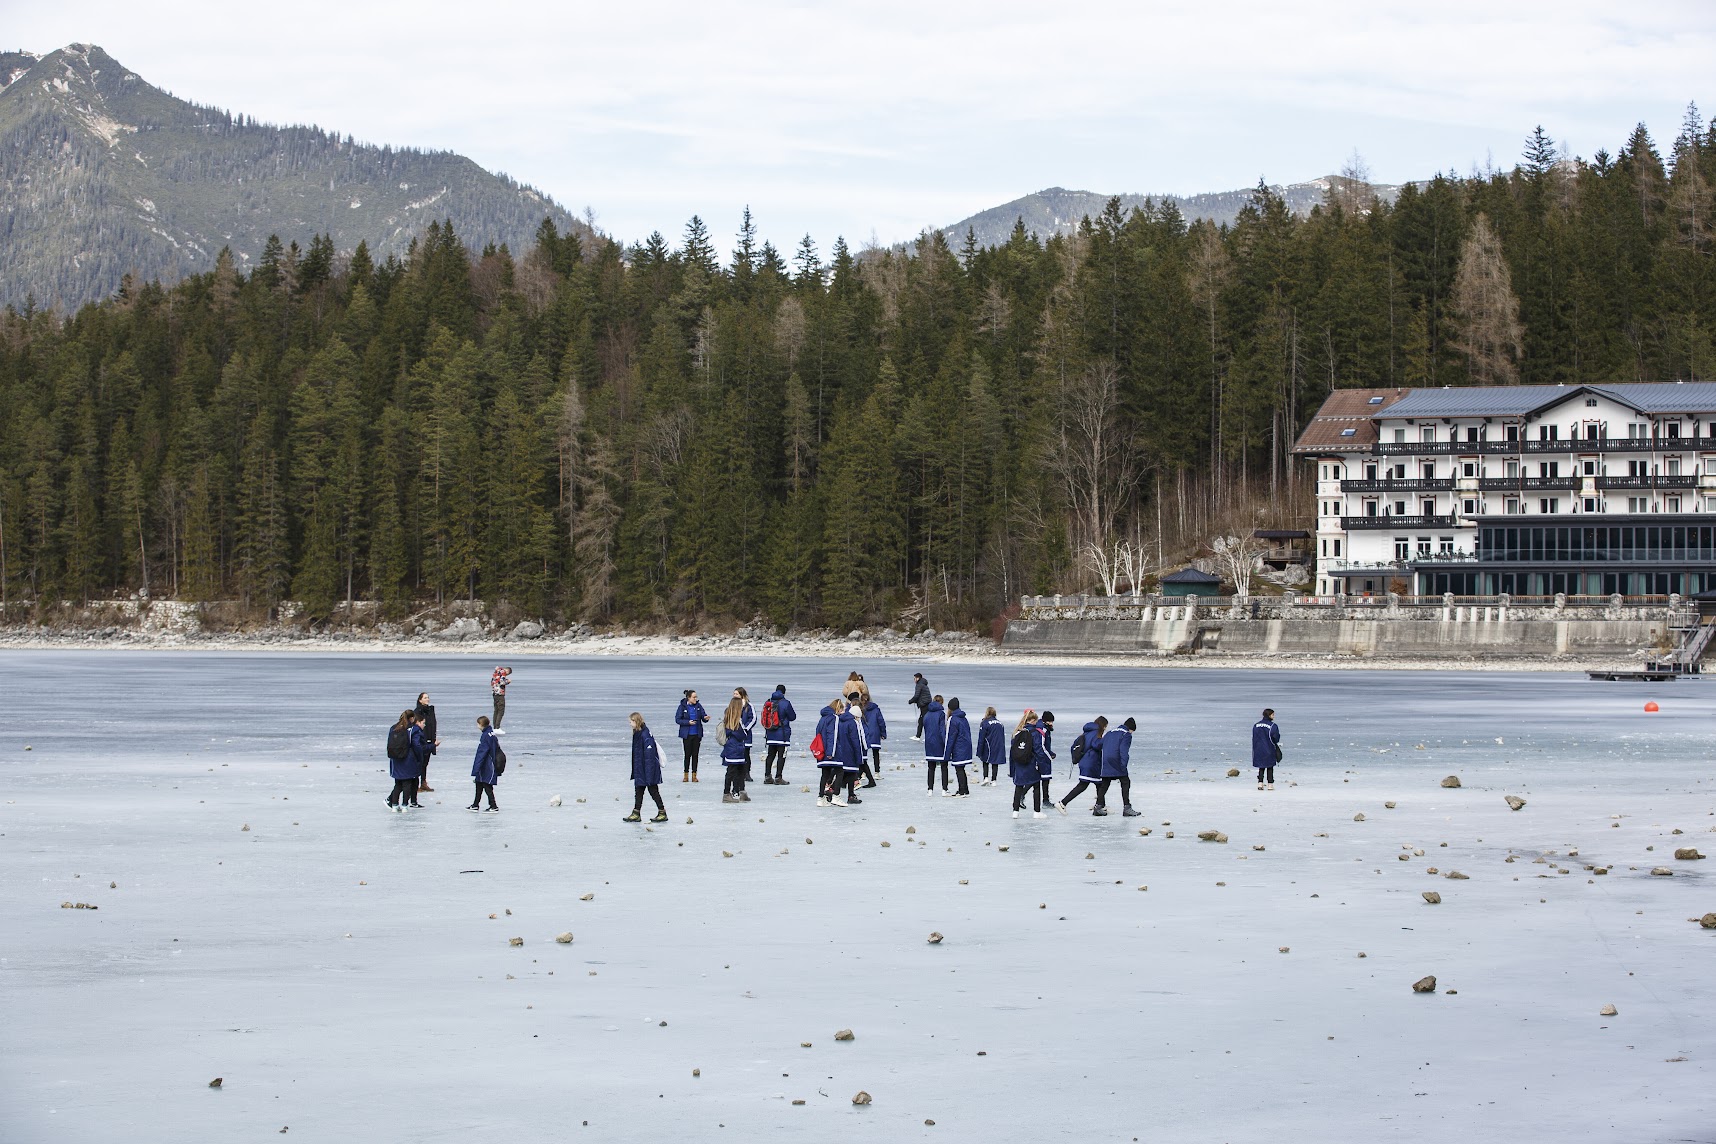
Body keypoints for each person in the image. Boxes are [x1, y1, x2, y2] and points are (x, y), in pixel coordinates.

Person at [1055, 716, 1108, 814]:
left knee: (1099, 784)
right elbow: (1096, 745)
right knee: (1083, 785)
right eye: (1105, 727)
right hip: (1091, 762)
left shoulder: (1086, 733)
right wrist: (1105, 740)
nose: (1105, 729)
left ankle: (1101, 805)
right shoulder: (1096, 733)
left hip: (1085, 761)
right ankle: (1062, 803)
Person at [625, 712, 668, 822]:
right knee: (638, 791)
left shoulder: (645, 734)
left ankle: (662, 812)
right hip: (641, 769)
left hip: (647, 770)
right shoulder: (638, 733)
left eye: (631, 722)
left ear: (636, 721)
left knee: (653, 791)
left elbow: (649, 757)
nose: (630, 724)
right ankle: (636, 813)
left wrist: (649, 775)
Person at [1098, 717, 1139, 816]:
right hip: (1116, 760)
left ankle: (1098, 806)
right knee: (1125, 782)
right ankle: (1127, 808)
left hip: (1106, 761)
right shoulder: (1126, 734)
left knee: (1104, 784)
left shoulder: (1109, 732)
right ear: (1130, 729)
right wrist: (1123, 765)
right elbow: (1123, 751)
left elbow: (1099, 745)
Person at [1010, 709, 1045, 818]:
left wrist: (1012, 770)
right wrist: (1043, 765)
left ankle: (1015, 811)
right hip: (1031, 763)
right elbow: (1038, 750)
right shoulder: (1035, 733)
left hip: (1019, 764)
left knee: (1019, 787)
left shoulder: (1017, 732)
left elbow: (1012, 752)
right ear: (1033, 720)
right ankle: (1037, 812)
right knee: (1036, 786)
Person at [761, 684, 797, 785]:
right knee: (781, 756)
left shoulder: (768, 702)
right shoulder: (786, 703)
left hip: (770, 734)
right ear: (784, 692)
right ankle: (778, 777)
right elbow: (792, 716)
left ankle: (767, 776)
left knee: (770, 755)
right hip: (782, 735)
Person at [835, 692, 866, 805]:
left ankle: (833, 790)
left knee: (843, 773)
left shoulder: (840, 721)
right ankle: (851, 795)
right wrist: (859, 757)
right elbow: (855, 741)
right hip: (851, 753)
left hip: (841, 752)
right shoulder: (852, 723)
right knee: (852, 774)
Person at [385, 709, 417, 811]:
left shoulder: (393, 728)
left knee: (398, 783)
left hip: (395, 759)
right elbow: (414, 744)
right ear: (411, 718)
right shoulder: (410, 729)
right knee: (407, 783)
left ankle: (394, 805)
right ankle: (404, 805)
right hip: (407, 759)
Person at [720, 697, 751, 803]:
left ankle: (740, 792)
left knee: (739, 770)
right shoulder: (736, 720)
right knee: (733, 771)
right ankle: (727, 793)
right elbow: (742, 734)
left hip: (733, 748)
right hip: (735, 748)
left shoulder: (729, 718)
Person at [814, 700, 845, 806]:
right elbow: (833, 735)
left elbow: (818, 733)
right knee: (840, 771)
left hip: (822, 750)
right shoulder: (834, 718)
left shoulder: (822, 718)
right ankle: (836, 796)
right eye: (842, 709)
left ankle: (820, 797)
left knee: (825, 774)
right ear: (838, 708)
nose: (843, 712)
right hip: (832, 751)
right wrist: (831, 752)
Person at [675, 689, 708, 782]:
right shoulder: (682, 707)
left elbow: (703, 716)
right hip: (687, 734)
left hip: (697, 734)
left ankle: (694, 775)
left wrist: (706, 718)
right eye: (694, 697)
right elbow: (678, 719)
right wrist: (688, 722)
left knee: (695, 755)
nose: (695, 699)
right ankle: (686, 775)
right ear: (688, 698)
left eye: (696, 697)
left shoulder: (698, 706)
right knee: (687, 755)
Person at [469, 715, 500, 811]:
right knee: (479, 783)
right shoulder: (491, 733)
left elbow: (482, 753)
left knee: (487, 785)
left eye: (478, 724)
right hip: (487, 763)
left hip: (487, 764)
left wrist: (476, 767)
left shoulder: (485, 736)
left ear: (481, 724)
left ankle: (493, 805)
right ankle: (475, 804)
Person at [944, 697, 973, 797]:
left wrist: (946, 754)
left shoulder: (953, 719)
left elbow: (950, 737)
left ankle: (962, 791)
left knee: (959, 769)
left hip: (958, 748)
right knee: (961, 769)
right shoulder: (963, 718)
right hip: (965, 747)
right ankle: (965, 790)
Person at [413, 692, 441, 792]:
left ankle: (423, 782)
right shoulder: (417, 711)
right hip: (421, 739)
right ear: (420, 700)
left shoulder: (430, 711)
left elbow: (432, 724)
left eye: (428, 697)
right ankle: (415, 784)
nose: (427, 699)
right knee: (419, 762)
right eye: (425, 698)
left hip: (430, 738)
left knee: (425, 762)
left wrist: (433, 738)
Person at [922, 694, 948, 795]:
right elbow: (942, 730)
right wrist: (945, 742)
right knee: (944, 766)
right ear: (941, 702)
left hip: (929, 742)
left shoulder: (927, 714)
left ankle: (930, 789)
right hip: (939, 743)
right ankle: (944, 789)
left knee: (931, 767)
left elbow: (926, 728)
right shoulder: (942, 714)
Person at [860, 693, 887, 787]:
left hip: (865, 733)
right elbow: (881, 721)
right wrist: (883, 733)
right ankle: (877, 772)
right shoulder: (876, 709)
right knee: (876, 753)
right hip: (875, 733)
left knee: (864, 754)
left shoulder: (860, 709)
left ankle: (862, 773)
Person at [976, 706, 1006, 786]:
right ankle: (994, 780)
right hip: (998, 745)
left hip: (988, 745)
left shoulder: (985, 723)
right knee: (995, 762)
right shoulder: (1000, 724)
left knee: (985, 760)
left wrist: (979, 751)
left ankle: (985, 777)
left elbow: (981, 738)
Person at [1252, 708, 1281, 790]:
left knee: (1261, 766)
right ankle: (1270, 784)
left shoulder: (1256, 725)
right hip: (1269, 748)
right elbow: (1276, 738)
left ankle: (1260, 783)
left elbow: (1254, 737)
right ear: (1269, 715)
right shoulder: (1273, 726)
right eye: (1273, 715)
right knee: (1270, 766)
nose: (1274, 716)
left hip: (1258, 749)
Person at [734, 687, 757, 783]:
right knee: (736, 754)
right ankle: (737, 773)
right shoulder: (733, 706)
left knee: (746, 755)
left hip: (746, 735)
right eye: (734, 694)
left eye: (736, 694)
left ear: (742, 695)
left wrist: (745, 728)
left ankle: (746, 773)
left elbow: (753, 719)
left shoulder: (748, 706)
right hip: (735, 735)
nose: (734, 696)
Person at [1036, 710, 1058, 809]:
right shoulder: (1042, 730)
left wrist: (1051, 753)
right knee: (1041, 779)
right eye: (1050, 721)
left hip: (1044, 757)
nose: (1051, 723)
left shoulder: (1045, 728)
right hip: (1042, 758)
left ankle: (1046, 799)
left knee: (1045, 779)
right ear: (1045, 721)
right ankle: (1045, 800)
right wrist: (1049, 756)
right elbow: (1041, 746)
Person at [490, 666, 512, 733]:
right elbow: (502, 682)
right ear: (507, 671)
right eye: (507, 674)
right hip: (499, 693)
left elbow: (493, 682)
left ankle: (495, 727)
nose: (506, 675)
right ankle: (497, 728)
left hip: (495, 693)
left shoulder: (496, 672)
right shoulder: (503, 673)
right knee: (501, 711)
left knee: (496, 710)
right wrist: (508, 681)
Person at [910, 672, 931, 739]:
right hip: (926, 704)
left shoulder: (919, 685)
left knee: (923, 721)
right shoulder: (923, 684)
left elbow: (917, 695)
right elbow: (921, 696)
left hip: (925, 705)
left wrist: (911, 701)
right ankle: (918, 735)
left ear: (918, 678)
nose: (914, 680)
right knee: (921, 721)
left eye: (914, 678)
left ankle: (921, 736)